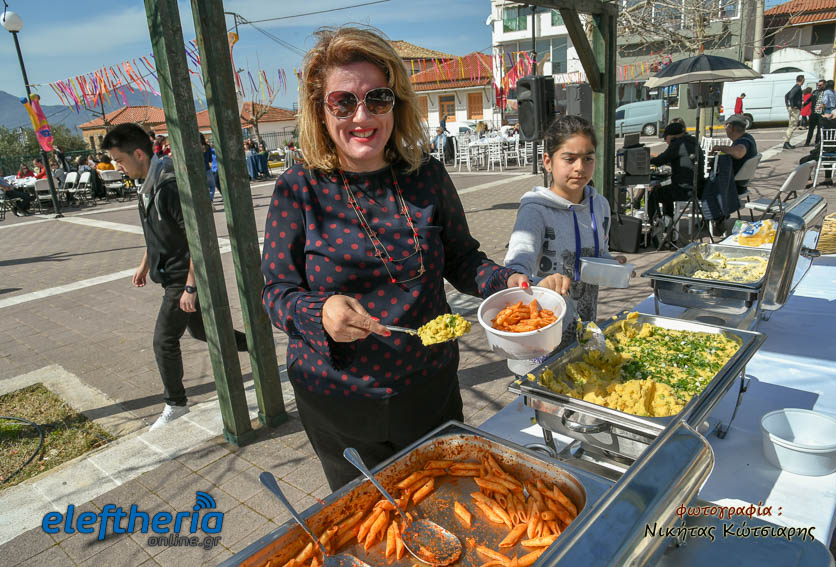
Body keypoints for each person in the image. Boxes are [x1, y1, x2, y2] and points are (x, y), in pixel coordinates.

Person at [260, 27, 529, 491]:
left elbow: (463, 260)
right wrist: (319, 311)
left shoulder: (428, 176)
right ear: (320, 111)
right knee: (370, 515)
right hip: (337, 398)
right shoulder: (298, 189)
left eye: (377, 99)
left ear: (396, 104)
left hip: (429, 389)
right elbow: (276, 293)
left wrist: (508, 283)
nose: (362, 116)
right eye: (343, 102)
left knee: (447, 497)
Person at [101, 123, 250, 431]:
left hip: (183, 278)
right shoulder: (147, 184)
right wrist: (145, 263)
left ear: (138, 154)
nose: (117, 167)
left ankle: (176, 403)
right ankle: (257, 346)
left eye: (119, 160)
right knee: (205, 331)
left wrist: (190, 287)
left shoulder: (168, 186)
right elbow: (158, 233)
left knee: (164, 340)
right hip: (172, 277)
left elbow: (197, 239)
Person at [504, 115, 626, 346]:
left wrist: (610, 263)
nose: (579, 168)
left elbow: (597, 252)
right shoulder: (535, 210)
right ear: (548, 161)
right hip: (539, 337)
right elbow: (515, 268)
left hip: (583, 332)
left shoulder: (600, 206)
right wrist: (537, 284)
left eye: (588, 158)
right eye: (569, 159)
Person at [645, 122, 700, 228]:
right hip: (697, 187)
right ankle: (668, 219)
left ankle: (655, 225)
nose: (666, 142)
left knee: (653, 193)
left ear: (671, 136)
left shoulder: (677, 144)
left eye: (665, 138)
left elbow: (660, 160)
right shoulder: (693, 141)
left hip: (685, 190)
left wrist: (646, 161)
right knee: (665, 190)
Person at [783, 74, 804, 149]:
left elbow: (786, 95)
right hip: (795, 109)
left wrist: (787, 105)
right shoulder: (797, 88)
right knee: (792, 126)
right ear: (802, 80)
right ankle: (786, 142)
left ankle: (787, 142)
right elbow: (791, 96)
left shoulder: (794, 87)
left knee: (791, 125)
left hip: (792, 108)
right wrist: (792, 106)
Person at [805, 79, 826, 147]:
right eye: (818, 85)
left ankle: (817, 142)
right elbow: (809, 100)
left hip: (821, 113)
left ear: (824, 85)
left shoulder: (825, 93)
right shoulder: (815, 92)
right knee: (811, 128)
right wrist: (803, 104)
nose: (818, 86)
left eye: (820, 85)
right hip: (813, 113)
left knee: (819, 129)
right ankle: (807, 142)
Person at [201, 134, 216, 201]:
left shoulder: (194, 147)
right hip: (207, 169)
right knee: (212, 186)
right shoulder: (207, 147)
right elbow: (210, 159)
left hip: (198, 171)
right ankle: (210, 199)